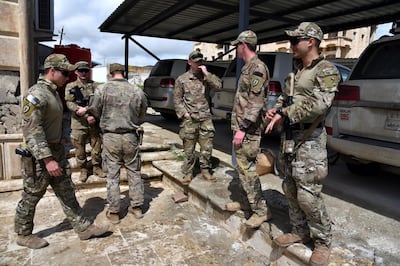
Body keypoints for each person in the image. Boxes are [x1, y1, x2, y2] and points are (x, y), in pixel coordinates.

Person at [15, 54, 109, 249]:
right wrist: (48, 160)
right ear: (52, 71)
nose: (68, 77)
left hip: (56, 152)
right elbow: (33, 130)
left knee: (67, 192)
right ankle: (23, 234)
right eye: (65, 73)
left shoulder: (52, 92)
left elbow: (51, 122)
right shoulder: (36, 94)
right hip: (40, 158)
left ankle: (83, 228)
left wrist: (61, 139)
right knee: (31, 196)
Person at [265, 22, 340, 266]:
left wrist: (285, 112)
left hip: (310, 139)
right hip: (290, 137)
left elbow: (320, 104)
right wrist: (275, 110)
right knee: (289, 186)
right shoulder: (296, 71)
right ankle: (300, 230)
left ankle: (322, 241)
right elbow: (286, 99)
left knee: (309, 194)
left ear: (311, 41)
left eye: (295, 41)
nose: (291, 46)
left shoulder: (326, 70)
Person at [89, 63, 147, 225]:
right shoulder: (136, 90)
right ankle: (137, 208)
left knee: (112, 175)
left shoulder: (102, 90)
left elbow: (94, 110)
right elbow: (143, 112)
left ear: (110, 73)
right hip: (131, 137)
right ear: (124, 73)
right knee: (134, 172)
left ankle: (114, 211)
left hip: (111, 137)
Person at [229, 30, 272, 228]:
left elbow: (255, 102)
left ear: (243, 45)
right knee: (242, 167)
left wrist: (243, 128)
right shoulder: (248, 67)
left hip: (249, 130)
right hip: (242, 126)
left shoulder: (257, 68)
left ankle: (261, 210)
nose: (236, 48)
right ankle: (245, 202)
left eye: (237, 45)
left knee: (248, 170)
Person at [173, 49, 222, 184]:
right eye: (195, 62)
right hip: (190, 119)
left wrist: (207, 73)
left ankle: (205, 170)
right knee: (189, 148)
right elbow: (177, 100)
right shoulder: (182, 80)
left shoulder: (206, 77)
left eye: (200, 61)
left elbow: (218, 86)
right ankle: (188, 172)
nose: (198, 64)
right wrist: (185, 114)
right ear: (190, 62)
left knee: (207, 148)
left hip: (205, 117)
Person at [65, 61, 105, 182]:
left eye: (86, 71)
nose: (83, 73)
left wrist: (87, 110)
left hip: (94, 122)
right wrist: (82, 113)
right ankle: (83, 169)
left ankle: (96, 167)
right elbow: (69, 103)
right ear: (76, 72)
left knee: (97, 147)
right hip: (79, 123)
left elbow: (101, 101)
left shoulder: (96, 86)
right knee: (79, 149)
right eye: (81, 71)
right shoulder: (71, 86)